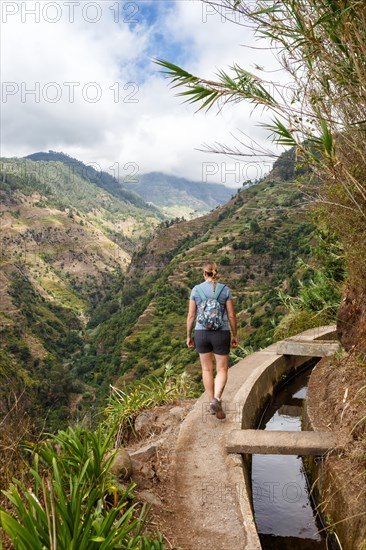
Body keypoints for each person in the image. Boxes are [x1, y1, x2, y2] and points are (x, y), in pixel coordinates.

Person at [186, 261, 238, 419]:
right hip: (221, 333)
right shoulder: (225, 290)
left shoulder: (196, 290)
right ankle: (217, 398)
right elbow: (231, 315)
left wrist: (188, 336)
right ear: (216, 273)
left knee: (206, 369)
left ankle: (211, 402)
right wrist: (235, 335)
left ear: (204, 274)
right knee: (222, 369)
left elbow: (191, 316)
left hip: (201, 333)